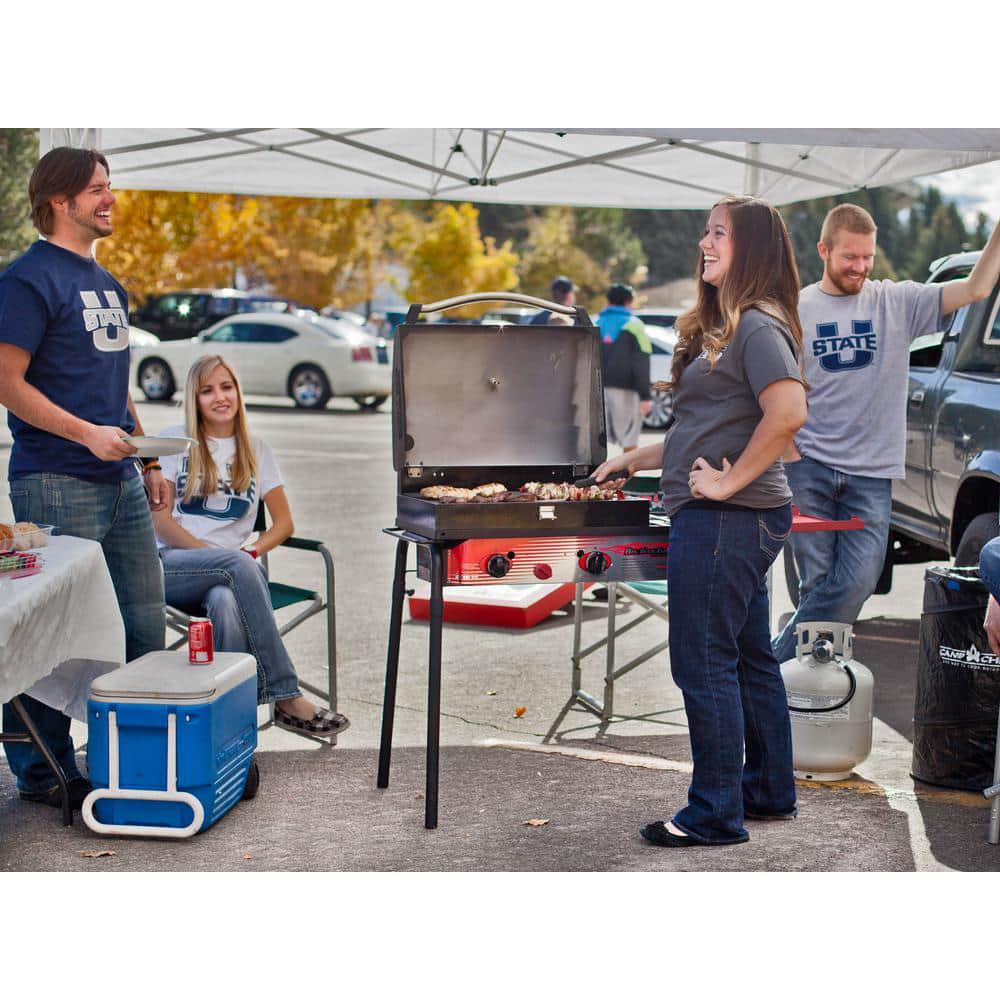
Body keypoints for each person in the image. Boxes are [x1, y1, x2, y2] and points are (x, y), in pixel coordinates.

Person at [593, 196, 807, 847]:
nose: (704, 243)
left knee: (702, 660)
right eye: (706, 232)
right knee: (746, 657)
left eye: (719, 234)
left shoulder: (758, 327)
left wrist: (727, 482)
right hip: (733, 517)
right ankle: (766, 788)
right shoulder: (725, 326)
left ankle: (714, 810)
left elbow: (789, 415)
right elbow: (700, 430)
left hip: (726, 520)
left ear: (754, 249)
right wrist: (633, 457)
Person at [0, 146, 166, 810]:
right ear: (59, 201)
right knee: (53, 635)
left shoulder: (110, 285)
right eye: (96, 189)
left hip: (120, 480)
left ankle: (134, 755)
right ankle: (43, 774)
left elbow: (115, 390)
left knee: (141, 625)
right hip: (54, 481)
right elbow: (7, 384)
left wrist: (148, 457)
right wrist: (86, 435)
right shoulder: (26, 280)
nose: (110, 198)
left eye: (109, 185)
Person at [771, 204, 1000, 665]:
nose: (859, 268)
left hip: (870, 476)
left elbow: (976, 288)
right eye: (849, 257)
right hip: (809, 469)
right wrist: (792, 457)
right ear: (824, 250)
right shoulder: (796, 310)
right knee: (817, 586)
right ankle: (807, 697)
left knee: (856, 581)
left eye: (867, 258)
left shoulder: (895, 302)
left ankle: (763, 664)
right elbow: (778, 392)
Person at [152, 354, 349, 737]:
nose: (219, 397)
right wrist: (226, 559)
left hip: (231, 579)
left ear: (238, 392)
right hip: (170, 566)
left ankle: (229, 731)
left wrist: (252, 552)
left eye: (226, 387)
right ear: (194, 399)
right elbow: (160, 522)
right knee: (238, 569)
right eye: (207, 390)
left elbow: (284, 524)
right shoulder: (174, 443)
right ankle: (285, 694)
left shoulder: (256, 449)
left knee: (227, 601)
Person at [596, 283, 652, 453]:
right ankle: (629, 479)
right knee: (629, 440)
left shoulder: (594, 322)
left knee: (597, 441)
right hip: (627, 391)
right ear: (629, 301)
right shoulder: (635, 325)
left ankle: (597, 478)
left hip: (596, 391)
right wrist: (645, 396)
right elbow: (641, 361)